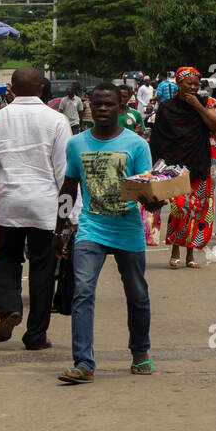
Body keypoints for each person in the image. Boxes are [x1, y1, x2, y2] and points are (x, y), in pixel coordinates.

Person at [53, 83, 154, 383]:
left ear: (122, 108)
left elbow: (148, 188)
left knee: (137, 295)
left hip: (127, 228)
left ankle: (140, 352)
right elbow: (69, 189)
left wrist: (155, 199)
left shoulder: (137, 145)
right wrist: (59, 230)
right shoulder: (77, 144)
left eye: (109, 104)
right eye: (96, 104)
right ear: (88, 109)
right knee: (82, 293)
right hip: (91, 228)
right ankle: (83, 363)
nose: (102, 109)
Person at [0, 67, 69, 350]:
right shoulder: (57, 120)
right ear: (42, 88)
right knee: (42, 268)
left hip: (11, 204)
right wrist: (70, 215)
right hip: (45, 205)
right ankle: (36, 336)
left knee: (6, 259)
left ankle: (8, 308)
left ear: (10, 89)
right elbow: (64, 173)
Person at [149, 67, 216, 269]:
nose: (192, 87)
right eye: (188, 83)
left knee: (198, 210)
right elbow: (158, 138)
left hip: (199, 163)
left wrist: (197, 106)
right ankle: (174, 249)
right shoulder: (166, 107)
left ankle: (190, 254)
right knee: (179, 208)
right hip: (175, 167)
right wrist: (158, 168)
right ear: (178, 84)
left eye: (196, 84)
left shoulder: (206, 103)